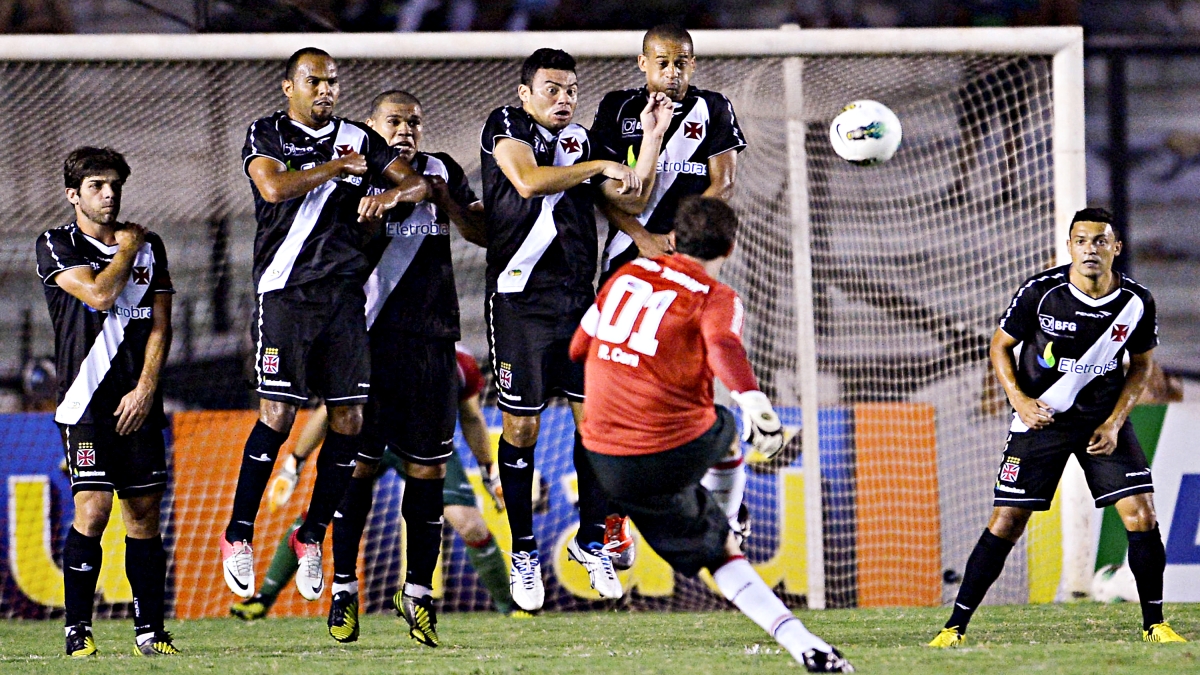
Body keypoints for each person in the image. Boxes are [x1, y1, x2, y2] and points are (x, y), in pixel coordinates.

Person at [569, 196, 853, 673]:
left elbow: (579, 347)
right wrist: (755, 401)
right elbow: (723, 344)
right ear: (731, 247)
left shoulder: (625, 276)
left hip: (605, 462)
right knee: (727, 426)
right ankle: (730, 520)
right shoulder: (714, 296)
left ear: (674, 239)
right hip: (668, 447)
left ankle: (800, 637)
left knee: (715, 549)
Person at [221, 48, 430, 603]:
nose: (325, 90)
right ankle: (238, 535)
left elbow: (420, 186)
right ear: (288, 85)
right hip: (285, 294)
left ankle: (311, 535)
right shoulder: (267, 133)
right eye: (314, 80)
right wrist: (338, 169)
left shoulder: (362, 137)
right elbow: (271, 187)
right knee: (279, 413)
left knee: (350, 421)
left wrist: (389, 193)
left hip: (342, 299)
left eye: (332, 81)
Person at [927, 208, 1188, 648]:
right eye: (1081, 240)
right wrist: (1020, 401)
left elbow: (1141, 365)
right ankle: (954, 626)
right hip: (1041, 420)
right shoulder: (1041, 292)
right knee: (1007, 521)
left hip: (1101, 425)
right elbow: (1000, 346)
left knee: (1142, 516)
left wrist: (1115, 421)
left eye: (1100, 241)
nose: (1090, 248)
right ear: (1069, 247)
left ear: (1115, 248)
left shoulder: (1137, 301)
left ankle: (1154, 625)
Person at [480, 47, 672, 611]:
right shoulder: (507, 124)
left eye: (571, 90)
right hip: (518, 302)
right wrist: (595, 168)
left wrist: (654, 136)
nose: (564, 99)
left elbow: (627, 193)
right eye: (552, 89)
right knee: (522, 431)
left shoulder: (583, 140)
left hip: (576, 302)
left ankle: (592, 542)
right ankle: (523, 552)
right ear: (526, 92)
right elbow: (525, 181)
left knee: (598, 426)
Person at [590, 24, 749, 566]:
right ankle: (613, 524)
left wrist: (680, 244)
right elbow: (603, 192)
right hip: (626, 268)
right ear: (642, 63)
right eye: (662, 63)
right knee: (617, 392)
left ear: (694, 64)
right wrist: (643, 239)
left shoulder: (715, 109)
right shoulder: (616, 109)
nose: (673, 72)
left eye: (682, 63)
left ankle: (721, 505)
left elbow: (722, 183)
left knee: (693, 378)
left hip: (687, 269)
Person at [230, 346, 526, 627]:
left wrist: (489, 469)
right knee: (321, 513)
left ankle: (509, 606)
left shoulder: (459, 364)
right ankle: (263, 598)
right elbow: (328, 412)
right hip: (370, 440)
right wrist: (294, 462)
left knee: (470, 524)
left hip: (427, 446)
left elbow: (472, 418)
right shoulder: (374, 350)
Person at [36, 147, 178, 657]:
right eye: (96, 185)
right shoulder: (56, 244)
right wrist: (127, 248)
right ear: (74, 195)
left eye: (114, 183)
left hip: (137, 403)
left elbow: (161, 323)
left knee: (143, 512)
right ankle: (78, 629)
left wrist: (145, 389)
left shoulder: (151, 246)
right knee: (93, 510)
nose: (109, 193)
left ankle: (151, 632)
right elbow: (97, 295)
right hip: (84, 407)